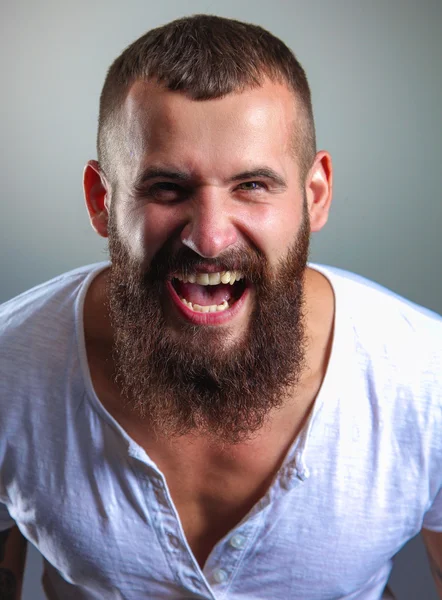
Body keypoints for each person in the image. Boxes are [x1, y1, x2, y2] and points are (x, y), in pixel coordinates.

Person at [0, 14, 441, 600]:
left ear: (315, 196)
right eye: (166, 188)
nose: (209, 239)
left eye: (252, 186)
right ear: (102, 200)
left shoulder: (428, 380)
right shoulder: (8, 370)